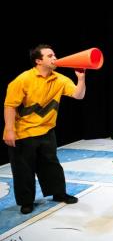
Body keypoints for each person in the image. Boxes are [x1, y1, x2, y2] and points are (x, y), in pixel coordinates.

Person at [3, 44, 85, 214]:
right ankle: (26, 201)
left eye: (54, 54)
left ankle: (58, 193)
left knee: (51, 165)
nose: (55, 58)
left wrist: (81, 78)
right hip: (23, 133)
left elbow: (78, 95)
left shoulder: (59, 79)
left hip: (47, 131)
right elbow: (10, 106)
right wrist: (9, 129)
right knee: (23, 170)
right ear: (38, 61)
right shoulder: (23, 80)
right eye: (50, 56)